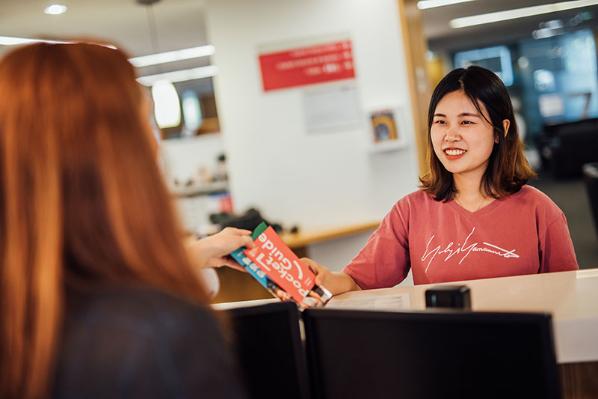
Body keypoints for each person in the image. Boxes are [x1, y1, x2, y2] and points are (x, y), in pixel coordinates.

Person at [0, 42, 248, 399]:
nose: (156, 143)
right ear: (119, 155)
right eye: (144, 123)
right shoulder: (160, 334)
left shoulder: (27, 314)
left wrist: (192, 255)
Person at [304, 66, 578, 297]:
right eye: (441, 122)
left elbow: (570, 296)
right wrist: (323, 279)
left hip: (523, 353)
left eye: (467, 122)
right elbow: (357, 280)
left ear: (500, 131)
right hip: (441, 353)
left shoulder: (540, 210)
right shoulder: (410, 212)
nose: (450, 135)